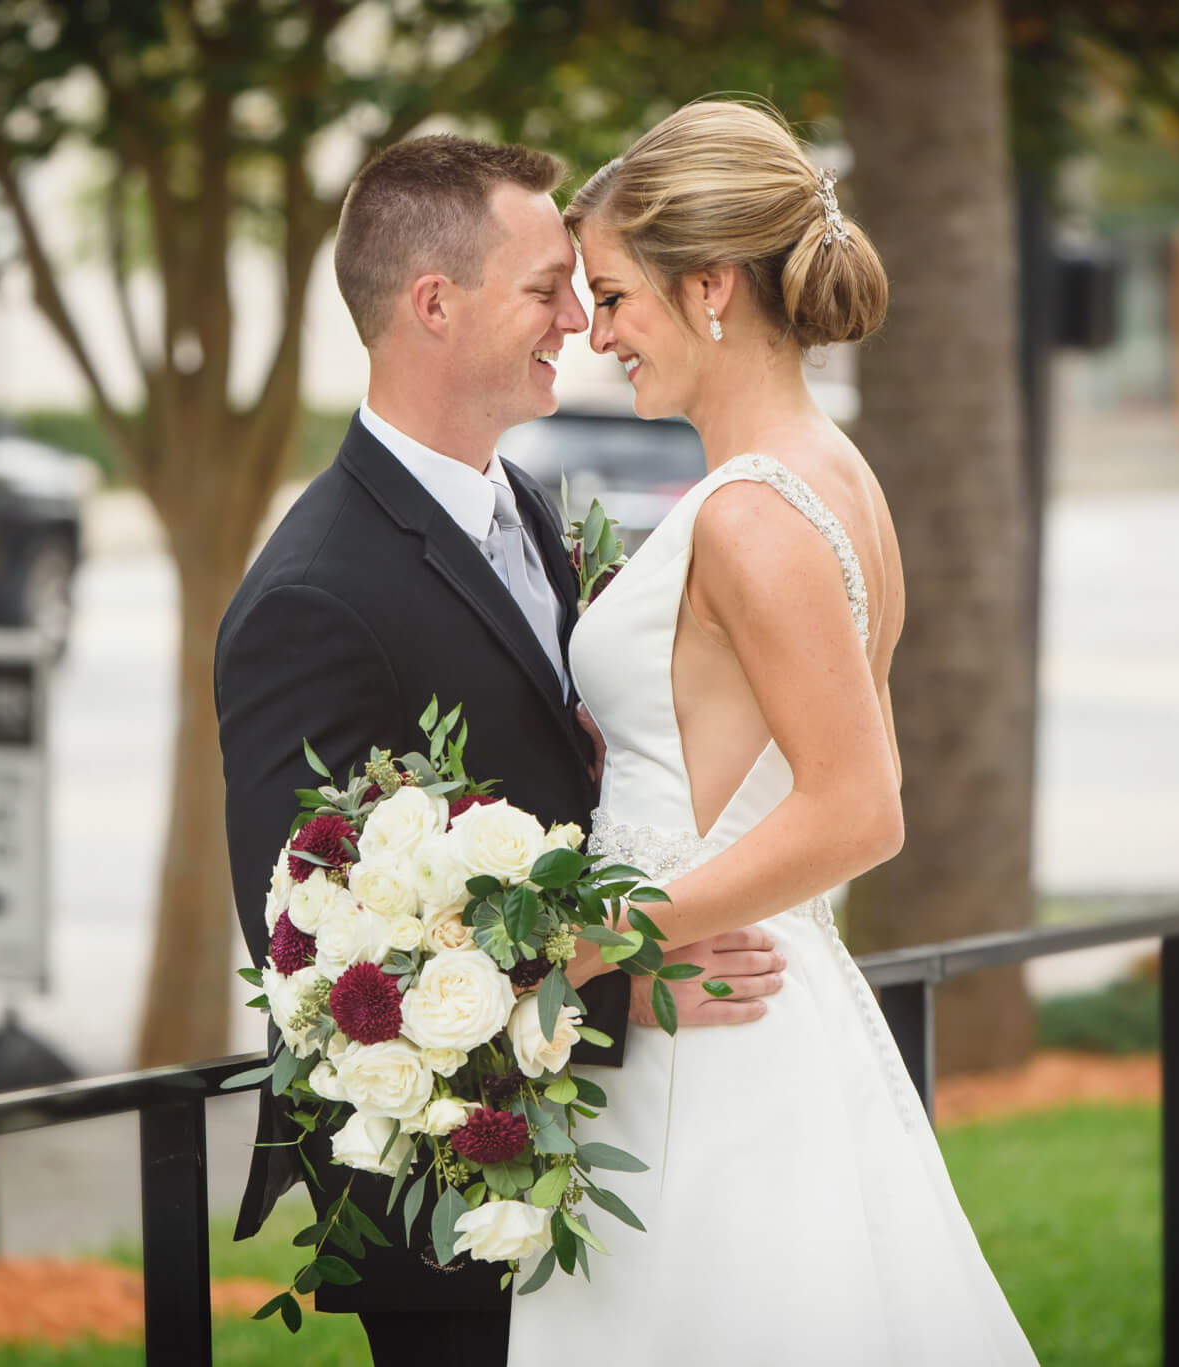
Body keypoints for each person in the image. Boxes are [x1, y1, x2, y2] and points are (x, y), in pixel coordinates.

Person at [215, 133, 790, 1367]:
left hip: (591, 1163)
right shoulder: (310, 599)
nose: (578, 320)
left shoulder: (519, 501)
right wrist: (623, 990)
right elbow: (316, 963)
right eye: (546, 289)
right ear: (434, 304)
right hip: (453, 1208)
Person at [506, 100, 1039, 1363]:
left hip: (710, 1037)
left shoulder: (756, 511)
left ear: (708, 288)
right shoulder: (831, 472)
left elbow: (857, 805)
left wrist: (590, 943)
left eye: (612, 295)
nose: (596, 331)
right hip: (745, 997)